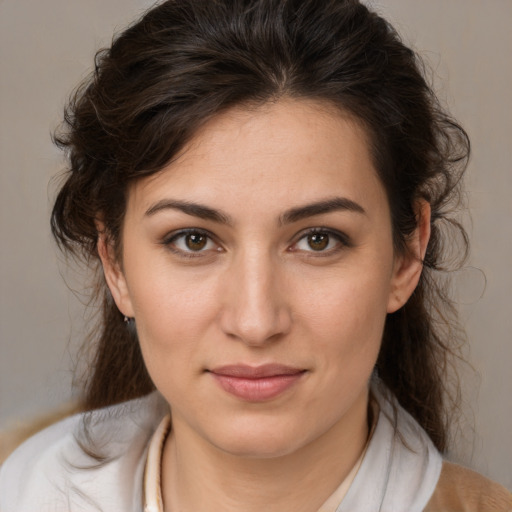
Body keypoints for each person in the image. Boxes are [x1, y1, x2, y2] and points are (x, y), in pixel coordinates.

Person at [0, 0, 510, 510]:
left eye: (318, 239)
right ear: (115, 264)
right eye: (193, 240)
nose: (255, 321)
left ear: (407, 255)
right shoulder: (22, 490)